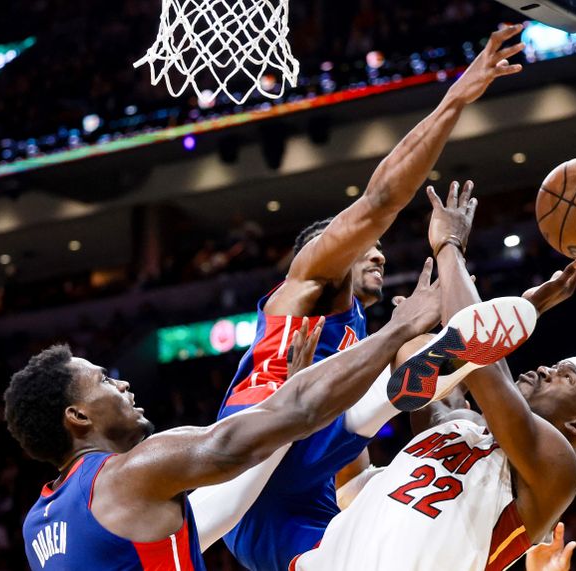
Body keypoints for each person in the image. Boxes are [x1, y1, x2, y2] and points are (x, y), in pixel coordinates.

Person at [212, 24, 528, 571]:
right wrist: (455, 98)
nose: (378, 254)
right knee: (415, 353)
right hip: (254, 454)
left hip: (305, 490)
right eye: (366, 248)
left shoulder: (358, 333)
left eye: (379, 249)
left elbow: (349, 463)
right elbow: (382, 197)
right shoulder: (309, 282)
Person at [3, 262, 445, 570]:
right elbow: (293, 414)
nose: (120, 384)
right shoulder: (129, 475)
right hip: (277, 532)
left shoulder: (38, 524)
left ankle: (407, 388)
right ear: (78, 416)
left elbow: (219, 509)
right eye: (104, 380)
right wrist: (398, 329)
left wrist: (294, 394)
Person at [291, 182, 576, 571]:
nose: (547, 368)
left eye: (565, 377)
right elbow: (419, 357)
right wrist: (413, 325)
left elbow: (477, 351)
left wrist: (450, 246)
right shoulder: (461, 423)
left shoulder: (556, 471)